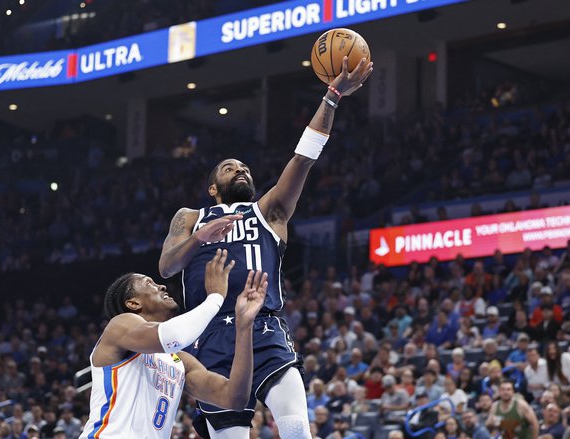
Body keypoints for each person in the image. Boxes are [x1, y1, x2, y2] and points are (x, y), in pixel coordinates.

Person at [159, 57, 373, 438]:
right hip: (210, 337)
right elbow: (167, 268)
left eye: (244, 168)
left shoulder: (269, 211)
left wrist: (333, 96)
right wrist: (199, 239)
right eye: (229, 168)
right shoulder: (190, 217)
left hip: (265, 327)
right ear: (213, 188)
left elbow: (304, 158)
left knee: (295, 430)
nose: (241, 171)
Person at [79, 249, 268, 438]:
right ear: (133, 303)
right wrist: (215, 298)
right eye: (149, 284)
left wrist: (244, 327)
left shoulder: (180, 361)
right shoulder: (119, 326)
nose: (161, 286)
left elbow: (235, 398)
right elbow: (171, 336)